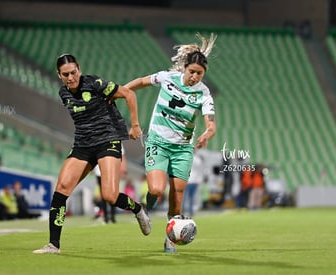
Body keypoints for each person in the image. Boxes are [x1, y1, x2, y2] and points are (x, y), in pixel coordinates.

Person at [33, 54, 151, 254]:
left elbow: (129, 94)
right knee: (61, 188)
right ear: (59, 75)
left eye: (73, 72)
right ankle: (54, 244)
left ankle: (138, 209)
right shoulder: (63, 93)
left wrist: (135, 125)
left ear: (79, 69)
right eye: (65, 74)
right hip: (83, 144)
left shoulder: (95, 83)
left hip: (108, 139)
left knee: (109, 195)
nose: (71, 77)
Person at [125, 33, 217, 253]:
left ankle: (170, 240)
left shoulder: (204, 93)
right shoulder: (167, 78)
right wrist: (120, 91)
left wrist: (207, 133)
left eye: (200, 74)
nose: (195, 77)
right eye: (192, 72)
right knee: (156, 189)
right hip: (158, 141)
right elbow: (140, 82)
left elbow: (211, 124)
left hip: (182, 149)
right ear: (184, 68)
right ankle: (148, 204)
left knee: (177, 198)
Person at [92, 147, 127, 224]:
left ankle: (113, 217)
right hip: (99, 173)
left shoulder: (117, 139)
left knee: (113, 194)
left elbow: (123, 155)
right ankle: (106, 217)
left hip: (112, 171)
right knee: (103, 195)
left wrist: (123, 169)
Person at [182, 149, 204, 217]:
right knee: (191, 197)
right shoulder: (198, 159)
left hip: (188, 180)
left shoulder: (187, 158)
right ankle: (190, 211)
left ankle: (182, 211)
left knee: (185, 197)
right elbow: (200, 170)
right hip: (194, 181)